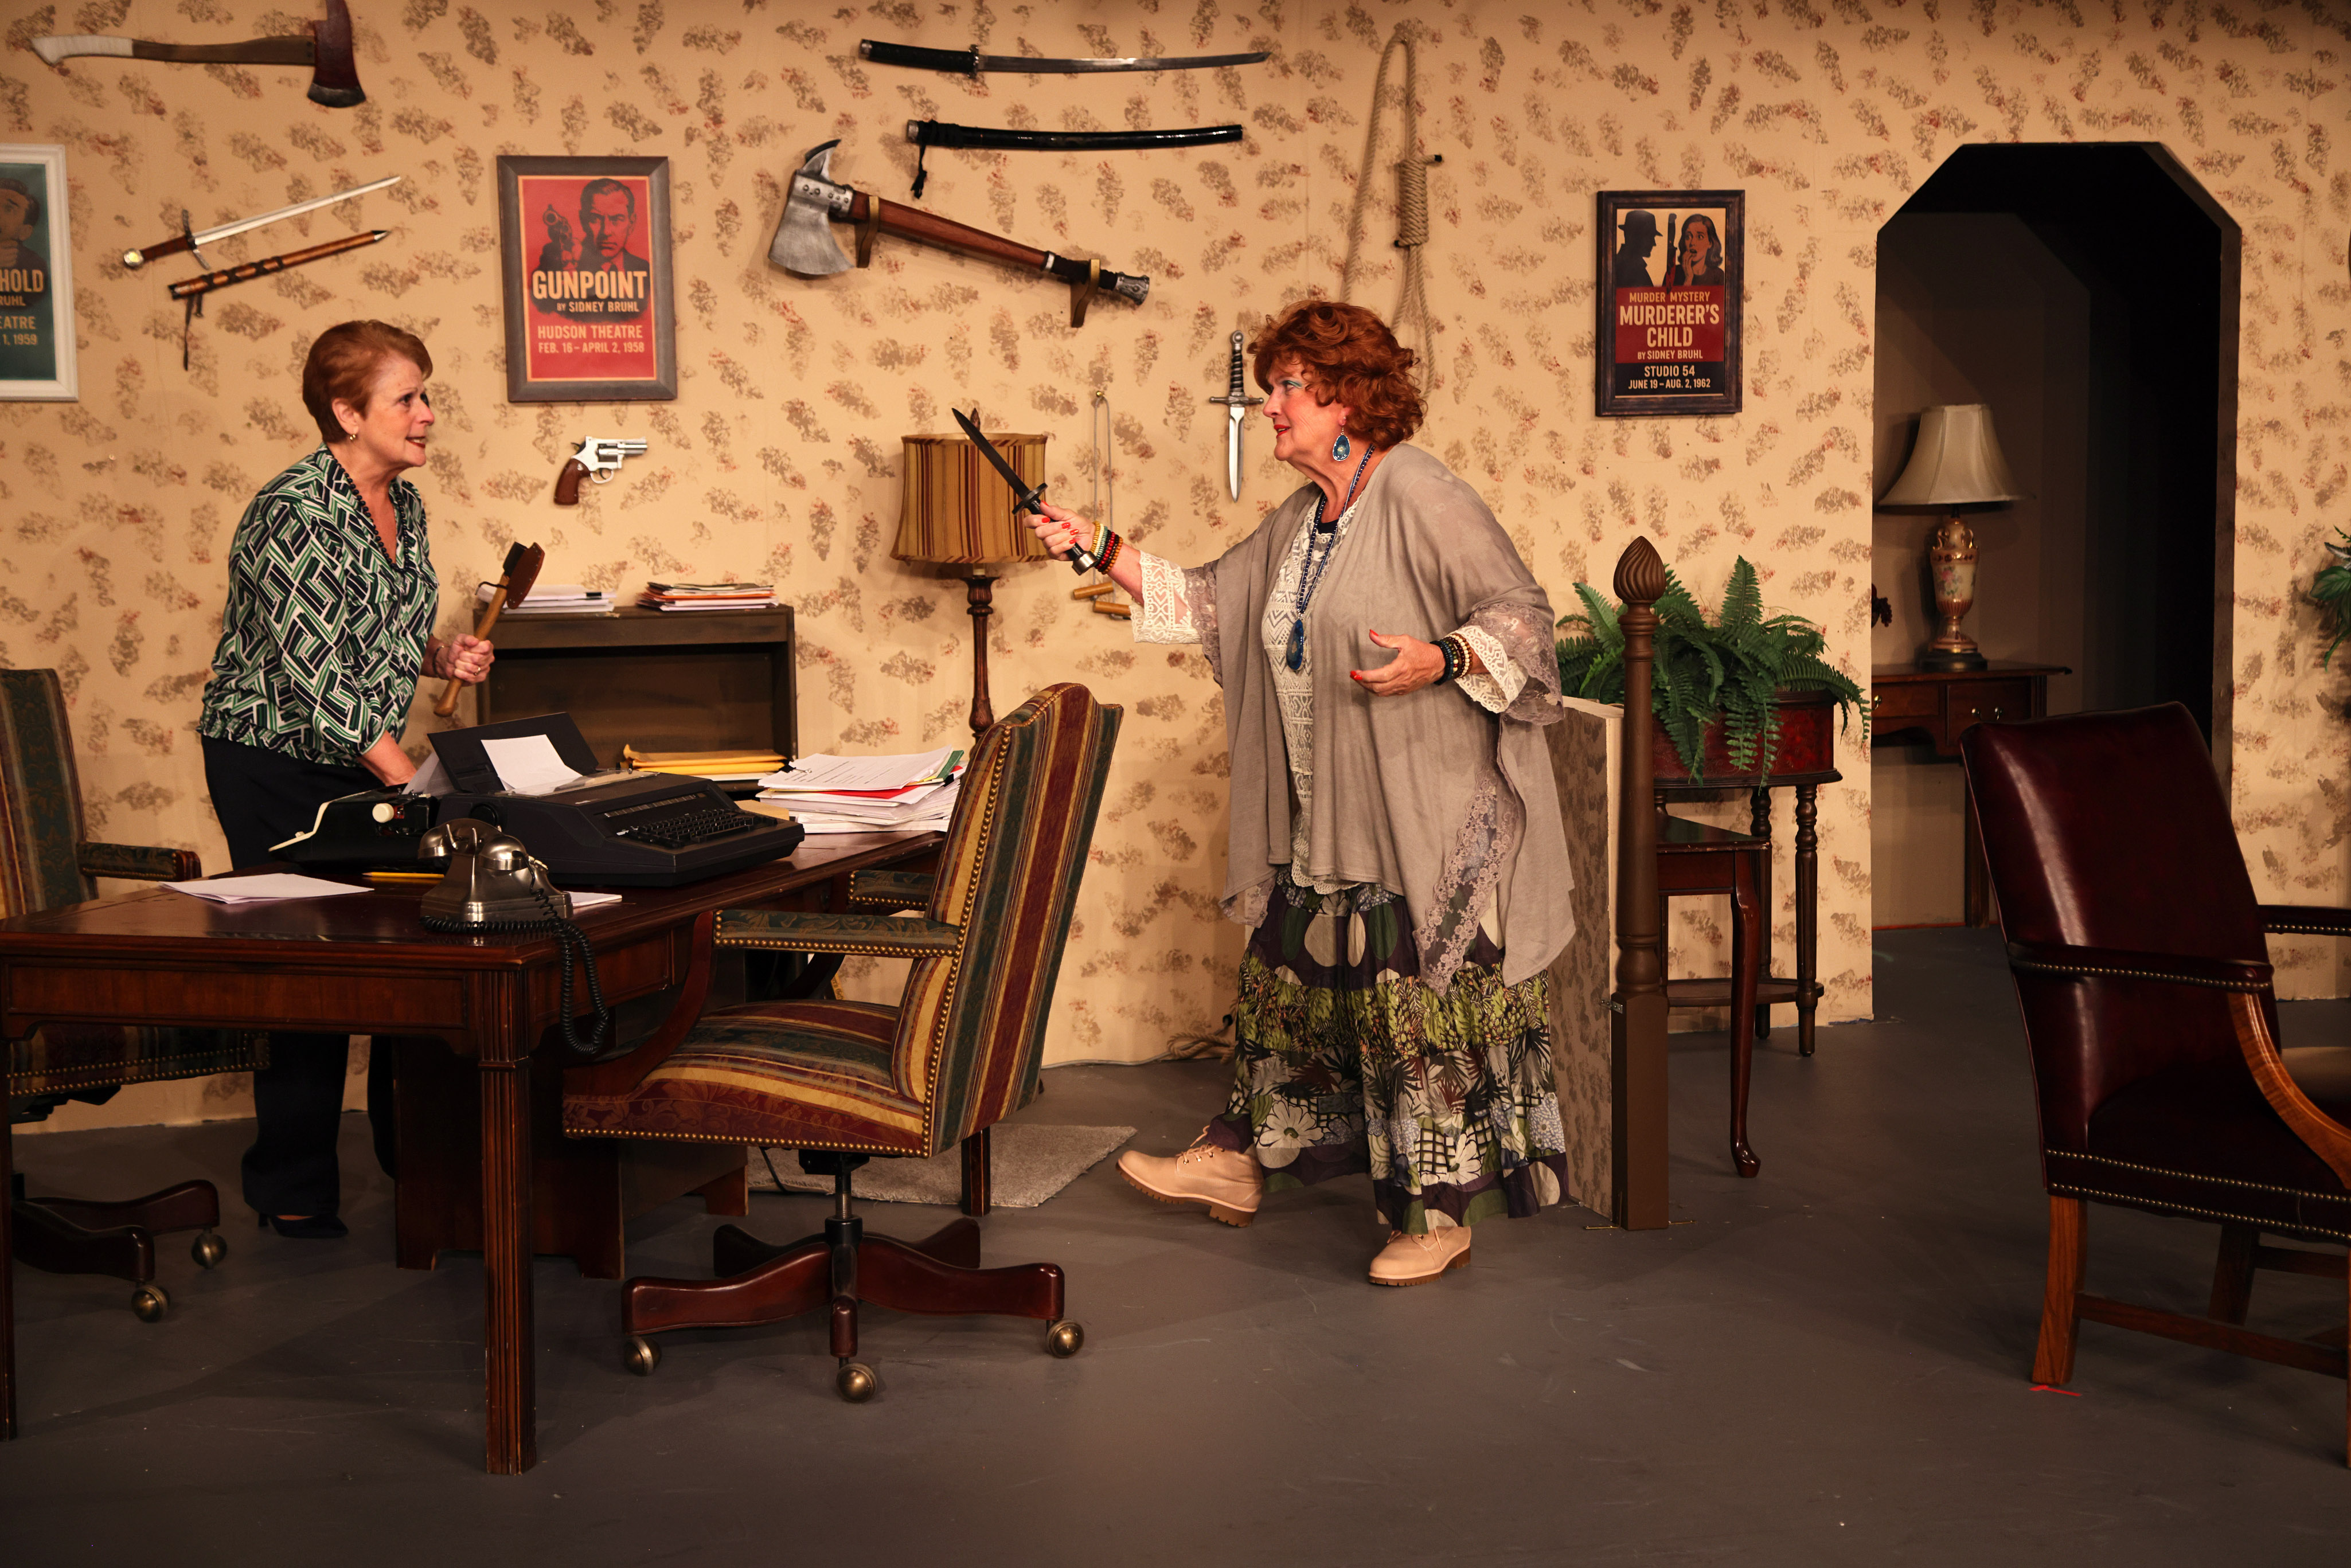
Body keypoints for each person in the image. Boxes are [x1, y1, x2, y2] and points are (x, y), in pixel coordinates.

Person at [1026, 300, 1576, 1287]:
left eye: (1287, 387)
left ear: (1347, 398)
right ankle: (1236, 1158)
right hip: (1324, 819)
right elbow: (1209, 603)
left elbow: (1525, 621)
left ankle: (1437, 1217)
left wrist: (1443, 657)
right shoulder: (1301, 520)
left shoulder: (1419, 491)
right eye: (1272, 387)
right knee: (1288, 988)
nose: (1269, 407)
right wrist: (1095, 542)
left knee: (1411, 1015)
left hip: (1421, 820)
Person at [197, 319, 494, 1239]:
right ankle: (292, 1184)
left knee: (410, 946)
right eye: (408, 397)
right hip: (274, 763)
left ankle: (423, 1165)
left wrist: (440, 652)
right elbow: (317, 676)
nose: (427, 413)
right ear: (347, 411)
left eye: (425, 394)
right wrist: (417, 785)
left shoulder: (407, 505)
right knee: (311, 966)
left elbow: (376, 634)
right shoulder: (293, 511)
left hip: (360, 755)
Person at [1670, 213, 1727, 287]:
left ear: (1710, 243)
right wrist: (1688, 279)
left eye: (1700, 237)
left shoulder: (1718, 276)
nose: (1692, 243)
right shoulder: (1673, 274)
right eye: (1688, 237)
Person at [1612, 209, 1659, 289]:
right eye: (1650, 237)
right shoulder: (1626, 271)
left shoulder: (1629, 267)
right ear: (1635, 237)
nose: (1654, 243)